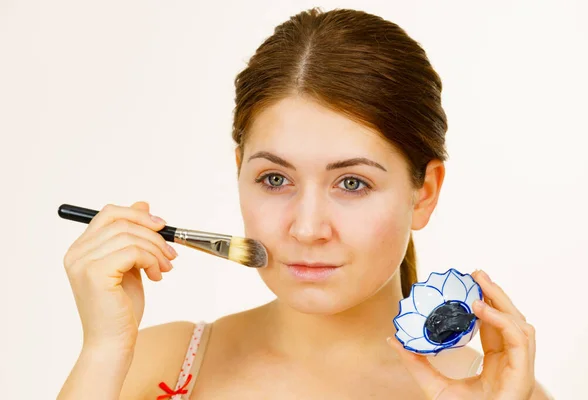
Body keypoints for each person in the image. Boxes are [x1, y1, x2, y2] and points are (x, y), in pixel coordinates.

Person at [58, 7, 552, 400]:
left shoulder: (498, 392)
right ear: (239, 174)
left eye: (353, 183)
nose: (308, 228)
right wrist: (103, 351)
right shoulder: (151, 364)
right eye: (275, 178)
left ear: (424, 192)